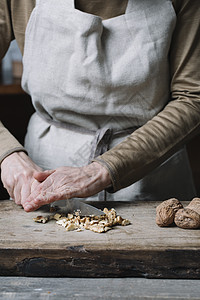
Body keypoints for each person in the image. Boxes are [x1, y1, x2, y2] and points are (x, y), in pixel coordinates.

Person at [0, 0, 199, 212]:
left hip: (150, 175)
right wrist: (7, 154)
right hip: (42, 176)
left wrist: (105, 169)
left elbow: (192, 97)